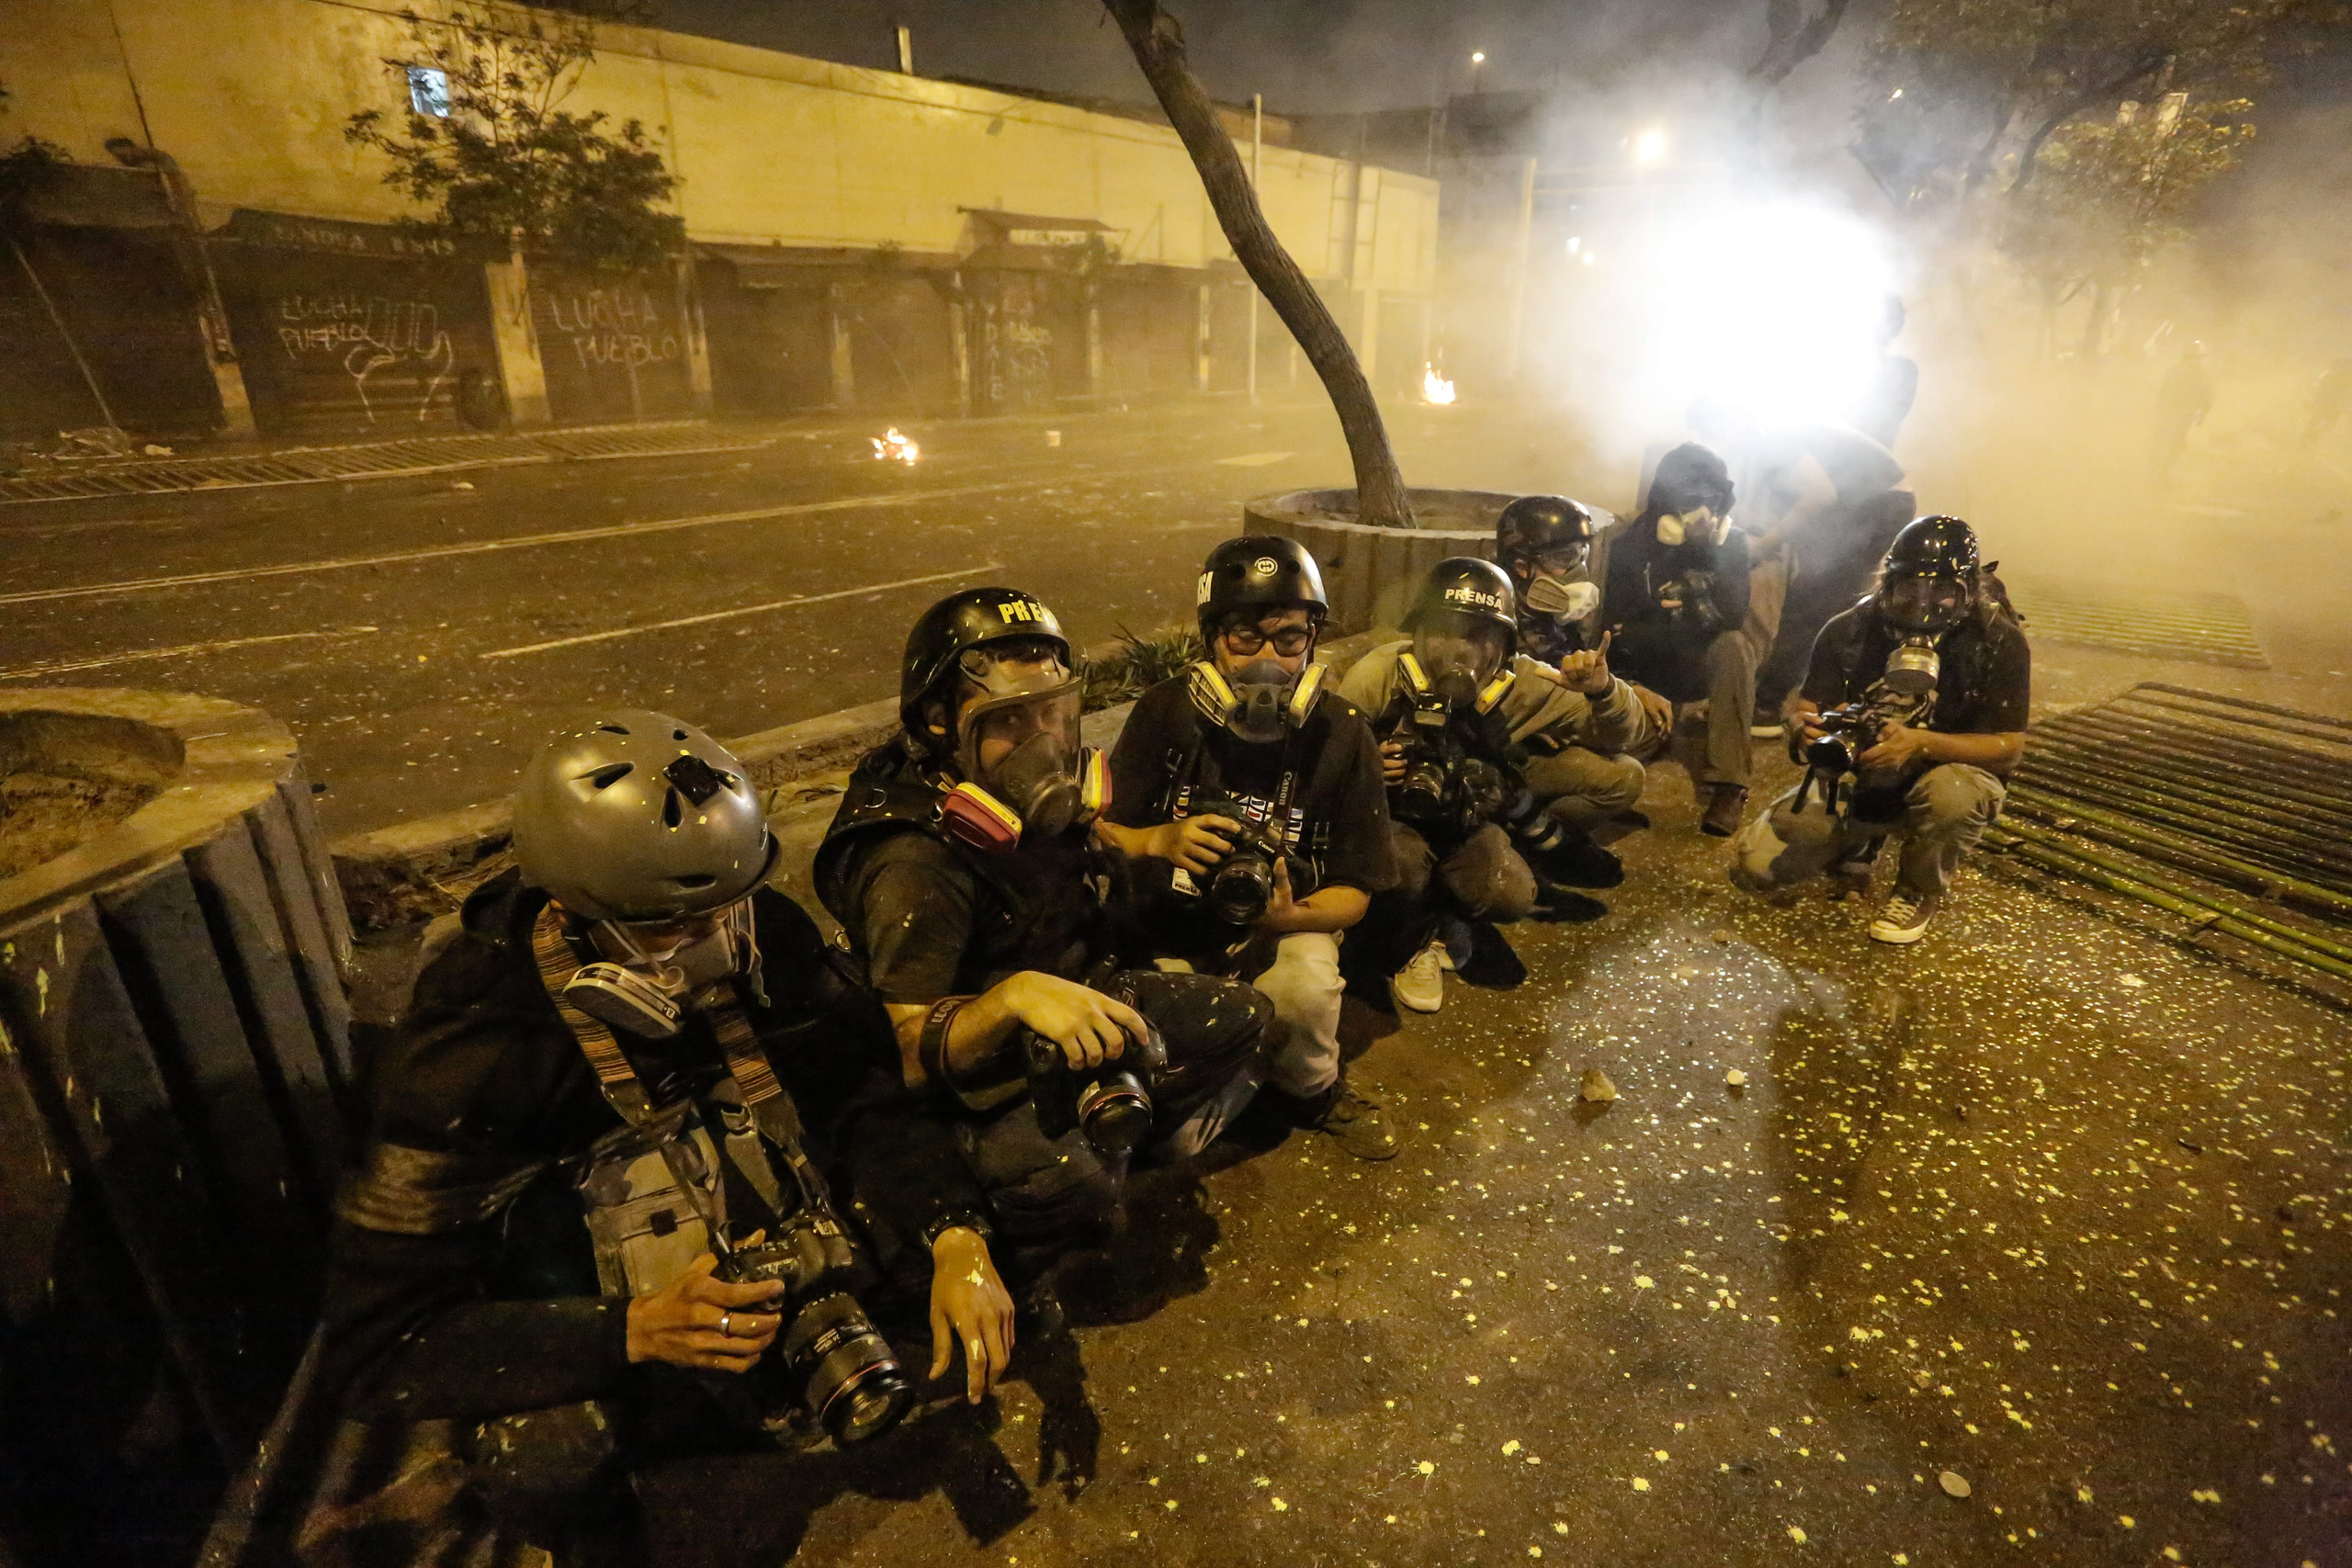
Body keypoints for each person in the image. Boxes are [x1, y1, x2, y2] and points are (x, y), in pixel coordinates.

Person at [307, 712, 997, 1562]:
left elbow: (862, 1093)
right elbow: (380, 1344)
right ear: (575, 910)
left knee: (1016, 1176)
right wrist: (631, 1330)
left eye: (727, 908)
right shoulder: (478, 1047)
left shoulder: (764, 932)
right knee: (545, 1453)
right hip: (617, 1302)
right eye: (674, 928)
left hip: (760, 1251)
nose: (717, 948)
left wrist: (952, 1234)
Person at [815, 587, 1270, 1290]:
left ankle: (1119, 1133)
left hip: (1071, 991)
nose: (1046, 741)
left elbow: (1078, 833)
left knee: (1240, 1016)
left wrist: (1150, 840)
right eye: (1011, 720)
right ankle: (1019, 1262)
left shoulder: (1000, 788)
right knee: (1077, 1182)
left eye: (1053, 711)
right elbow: (903, 1051)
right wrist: (1011, 1001)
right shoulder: (916, 863)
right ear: (940, 721)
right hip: (976, 1068)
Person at [1095, 536, 1397, 1159]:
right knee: (1168, 1130)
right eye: (1244, 636)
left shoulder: (1342, 732)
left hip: (1280, 928)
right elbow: (1099, 831)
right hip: (1168, 930)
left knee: (1307, 983)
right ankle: (1241, 1066)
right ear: (1211, 640)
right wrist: (1156, 840)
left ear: (1313, 639)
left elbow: (1357, 889)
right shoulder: (1165, 714)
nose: (1270, 658)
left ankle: (1313, 1090)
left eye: (1289, 638)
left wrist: (1288, 917)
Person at [1341, 558, 1647, 1014]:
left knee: (1509, 893)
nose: (1460, 650)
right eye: (1446, 629)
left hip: (1474, 812)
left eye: (1480, 634)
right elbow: (1321, 772)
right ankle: (1424, 931)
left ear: (1505, 644)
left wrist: (1604, 690)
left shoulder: (1528, 682)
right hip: (1396, 819)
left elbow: (1624, 737)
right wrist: (1368, 771)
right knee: (1399, 871)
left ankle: (1491, 870)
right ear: (1419, 632)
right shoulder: (1377, 676)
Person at [1730, 515, 2030, 944]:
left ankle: (1917, 889)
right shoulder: (1847, 630)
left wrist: (1921, 743)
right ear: (1887, 581)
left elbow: (2009, 748)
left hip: (1943, 774)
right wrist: (1804, 731)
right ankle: (1861, 838)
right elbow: (1807, 708)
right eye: (1909, 588)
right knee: (1758, 865)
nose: (1923, 603)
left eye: (1942, 590)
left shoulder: (1998, 640)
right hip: (1858, 776)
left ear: (1969, 589)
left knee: (1955, 795)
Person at [1496, 492, 1673, 847]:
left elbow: (1576, 663)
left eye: (1582, 556)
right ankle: (1528, 830)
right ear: (1521, 567)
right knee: (1623, 772)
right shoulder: (1497, 622)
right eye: (1564, 558)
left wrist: (1628, 688)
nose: (1578, 570)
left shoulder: (1548, 616)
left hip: (1558, 721)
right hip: (1506, 755)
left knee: (1650, 724)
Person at [1602, 443, 1758, 839]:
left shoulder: (1730, 545)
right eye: (1691, 501)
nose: (1703, 513)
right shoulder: (1630, 546)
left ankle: (1730, 784)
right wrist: (1671, 617)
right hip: (1643, 669)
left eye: (1713, 501)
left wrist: (1705, 555)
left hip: (1695, 662)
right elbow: (1616, 624)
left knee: (1734, 646)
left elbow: (1732, 614)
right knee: (1614, 764)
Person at [1849, 292, 1920, 451]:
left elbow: (1889, 418)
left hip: (1872, 461)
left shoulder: (1904, 370)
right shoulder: (1842, 365)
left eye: (1890, 319)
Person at [2151, 341, 2214, 479]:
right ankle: (2159, 471)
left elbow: (2207, 395)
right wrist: (2203, 413)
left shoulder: (2176, 370)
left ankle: (2161, 472)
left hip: (2179, 413)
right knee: (2170, 442)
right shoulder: (2202, 373)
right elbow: (2207, 395)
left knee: (2169, 441)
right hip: (2178, 412)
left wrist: (2203, 413)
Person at [2298, 356, 2350, 452]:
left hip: (2331, 403)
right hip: (2324, 402)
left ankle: (2311, 438)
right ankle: (2307, 440)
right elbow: (2316, 386)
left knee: (2326, 423)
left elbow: (2345, 393)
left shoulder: (2342, 378)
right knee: (2317, 421)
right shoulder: (2329, 375)